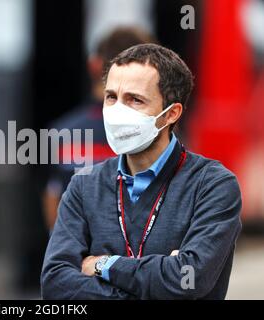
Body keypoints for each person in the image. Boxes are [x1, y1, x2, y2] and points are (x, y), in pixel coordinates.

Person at [41, 43, 242, 299]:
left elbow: (189, 278)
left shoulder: (213, 186)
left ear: (171, 114)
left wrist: (103, 265)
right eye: (111, 97)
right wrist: (157, 279)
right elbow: (55, 283)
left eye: (135, 100)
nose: (117, 111)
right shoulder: (83, 185)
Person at [42, 27, 155, 231]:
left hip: (76, 257)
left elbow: (54, 207)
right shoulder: (160, 133)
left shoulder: (61, 133)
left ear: (93, 65)